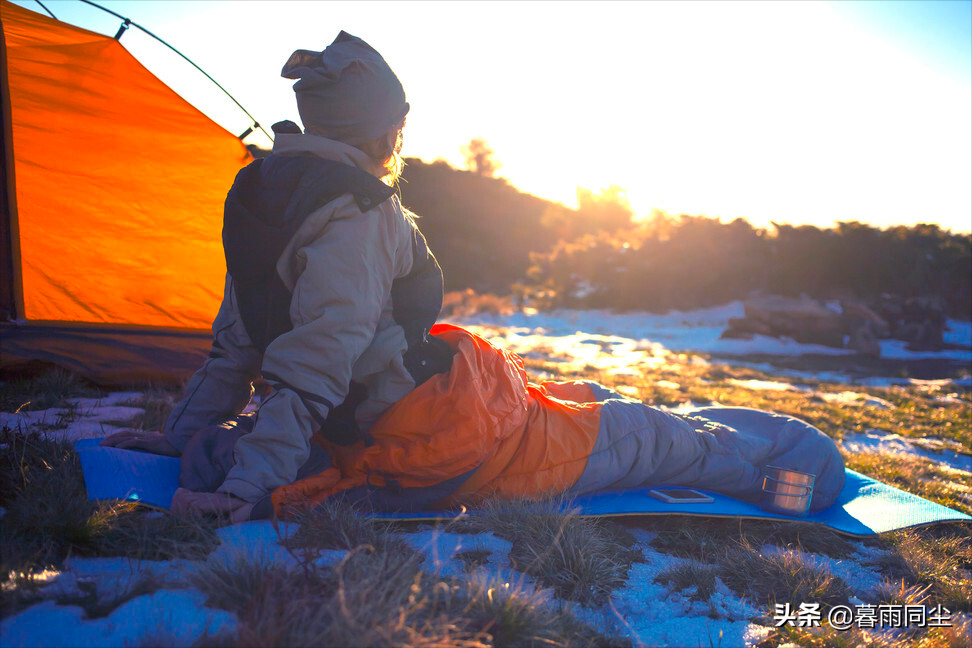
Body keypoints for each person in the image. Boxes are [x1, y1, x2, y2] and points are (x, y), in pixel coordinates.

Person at [106, 32, 846, 522]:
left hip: (428, 407)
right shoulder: (356, 213)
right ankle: (796, 471)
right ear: (380, 129)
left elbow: (237, 341)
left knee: (592, 398)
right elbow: (316, 362)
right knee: (648, 437)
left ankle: (652, 419)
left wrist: (188, 437)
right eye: (397, 124)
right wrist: (242, 490)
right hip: (441, 441)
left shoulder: (260, 192)